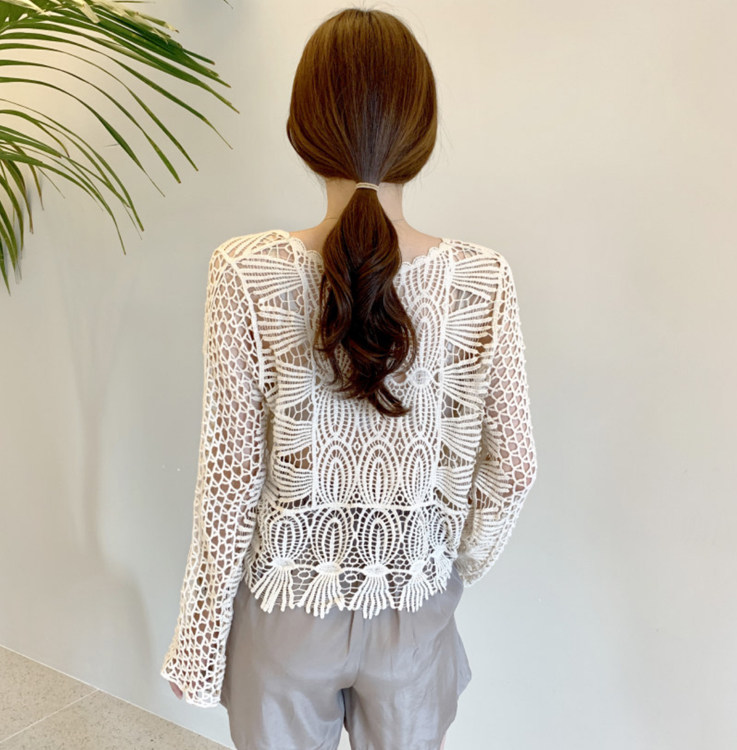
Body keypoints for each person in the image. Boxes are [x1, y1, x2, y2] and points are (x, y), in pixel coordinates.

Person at [160, 7, 538, 750]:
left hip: (285, 608)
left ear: (303, 130)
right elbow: (515, 467)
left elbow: (229, 479)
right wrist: (448, 561)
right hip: (413, 611)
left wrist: (200, 639)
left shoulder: (245, 272)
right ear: (421, 132)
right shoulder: (482, 280)